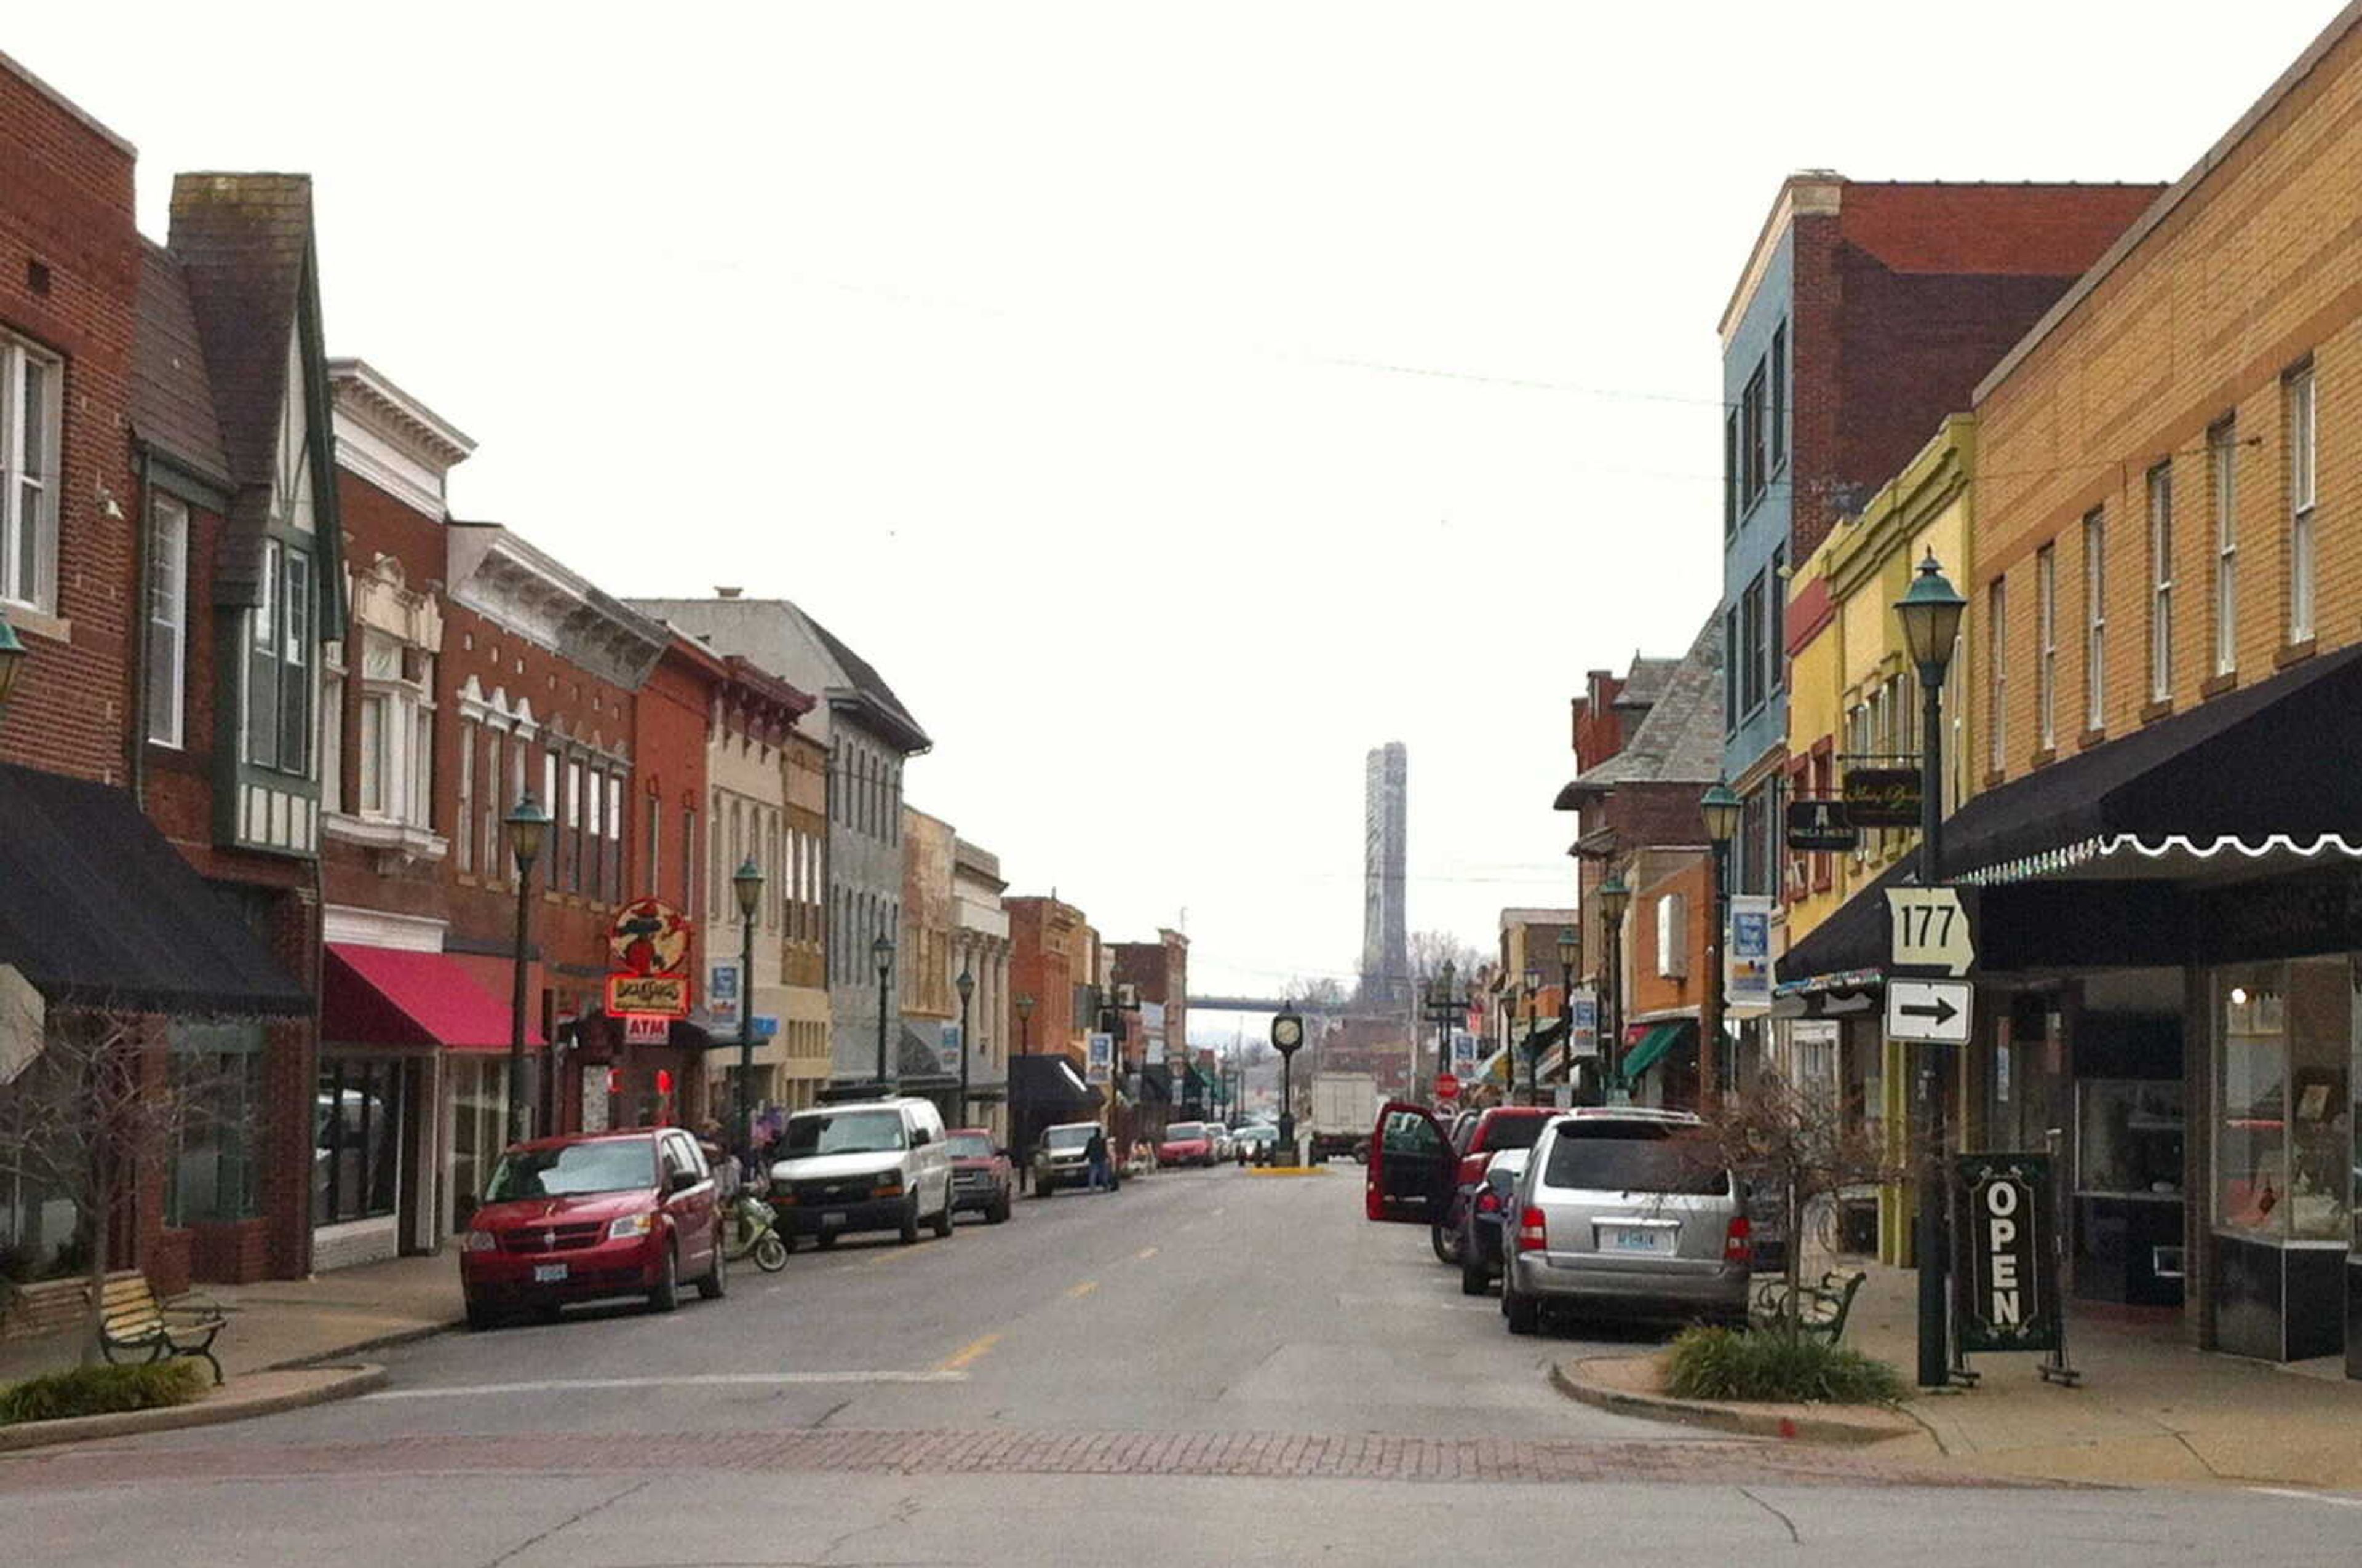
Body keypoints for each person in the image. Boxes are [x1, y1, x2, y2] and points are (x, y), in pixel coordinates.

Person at [1084, 1126, 1111, 1193]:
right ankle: (1106, 1187)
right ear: (1100, 1133)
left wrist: (1083, 1157)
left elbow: (1087, 1150)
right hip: (1101, 1159)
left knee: (1093, 1175)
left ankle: (1092, 1189)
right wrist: (1107, 1157)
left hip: (1093, 1159)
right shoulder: (1103, 1140)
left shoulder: (1091, 1140)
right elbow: (1105, 1150)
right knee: (1103, 1175)